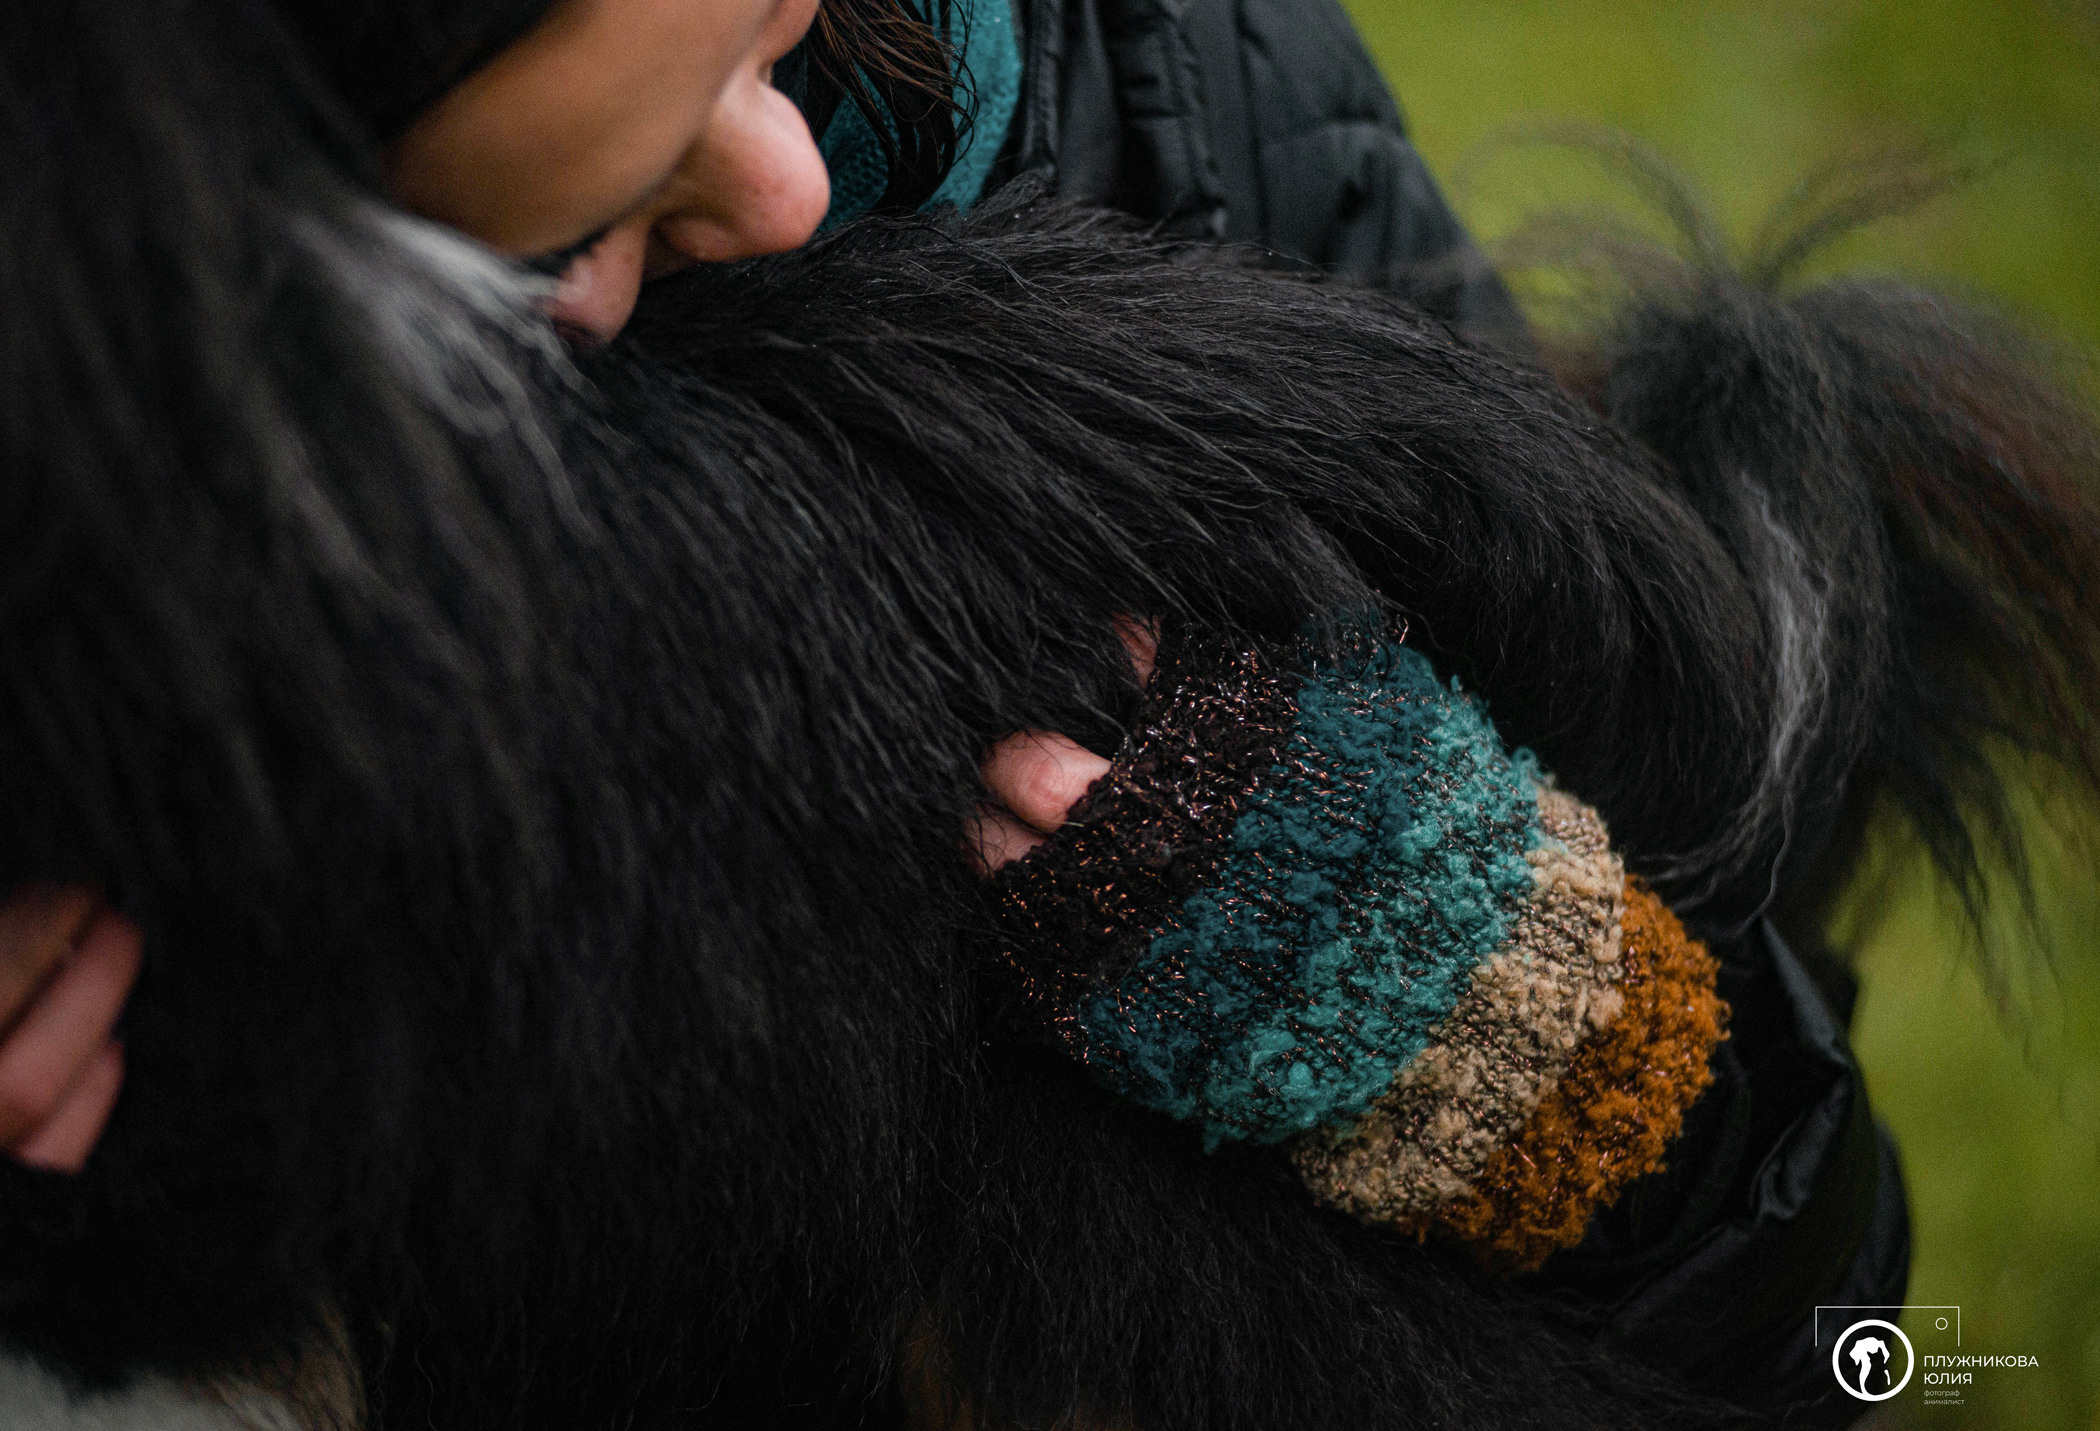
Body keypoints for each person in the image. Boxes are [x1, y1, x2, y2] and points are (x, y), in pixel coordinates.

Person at [3, 1, 2096, 1428]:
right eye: (564, 226)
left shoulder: (1161, 97)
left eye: (764, 18)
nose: (792, 183)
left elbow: (1831, 1328)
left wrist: (1578, 1086)